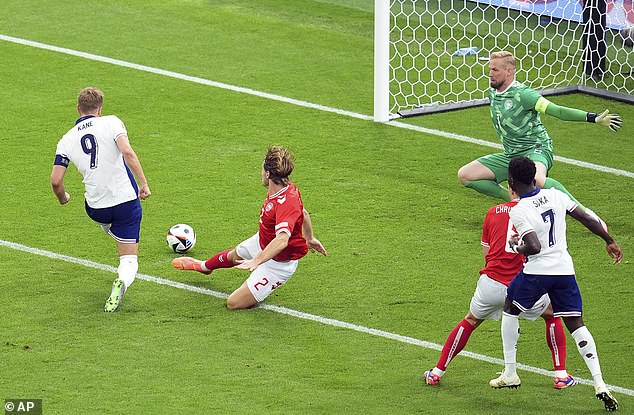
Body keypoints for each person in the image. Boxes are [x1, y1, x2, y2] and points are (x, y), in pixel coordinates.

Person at [492, 156, 622, 412]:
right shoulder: (555, 195)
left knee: (510, 306)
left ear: (511, 183)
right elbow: (586, 218)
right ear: (533, 178)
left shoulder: (519, 210)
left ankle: (510, 372)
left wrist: (517, 247)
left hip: (537, 272)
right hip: (564, 270)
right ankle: (600, 383)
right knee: (576, 324)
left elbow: (533, 246)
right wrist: (608, 239)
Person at [423, 197, 574, 389]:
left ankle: (437, 372)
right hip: (522, 286)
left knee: (470, 320)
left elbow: (487, 252)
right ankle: (560, 375)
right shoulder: (535, 212)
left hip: (491, 283)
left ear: (511, 187)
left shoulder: (493, 211)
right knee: (552, 315)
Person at [457, 51, 622, 215]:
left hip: (537, 149)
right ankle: (516, 200)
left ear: (509, 71)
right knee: (466, 175)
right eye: (490, 69)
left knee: (537, 179)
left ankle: (586, 213)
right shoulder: (493, 91)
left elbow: (558, 111)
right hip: (512, 155)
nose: (490, 74)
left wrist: (592, 118)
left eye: (495, 70)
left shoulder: (524, 95)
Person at [172, 145, 327, 310]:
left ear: (268, 174)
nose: (260, 173)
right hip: (262, 241)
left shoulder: (285, 202)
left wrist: (257, 260)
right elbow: (303, 212)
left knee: (233, 303)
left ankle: (261, 286)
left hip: (279, 264)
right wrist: (310, 238)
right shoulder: (286, 188)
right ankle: (204, 267)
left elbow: (282, 240)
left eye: (262, 169)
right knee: (234, 256)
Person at [51, 87, 151, 312]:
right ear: (100, 109)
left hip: (96, 207)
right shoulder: (112, 122)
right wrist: (144, 183)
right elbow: (128, 152)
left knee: (110, 225)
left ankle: (114, 232)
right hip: (125, 201)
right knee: (129, 259)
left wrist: (63, 197)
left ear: (78, 109)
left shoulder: (66, 140)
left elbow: (56, 181)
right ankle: (122, 280)